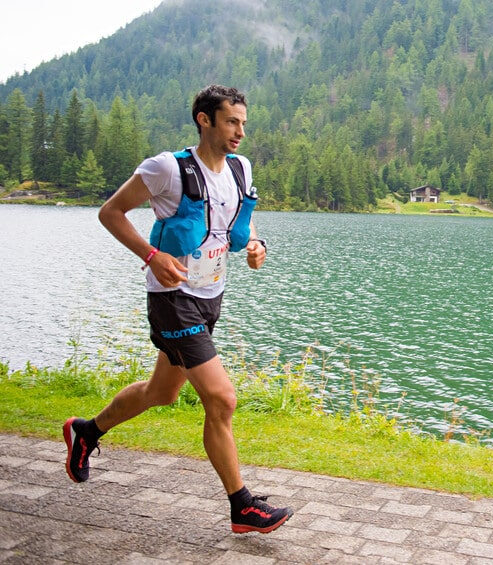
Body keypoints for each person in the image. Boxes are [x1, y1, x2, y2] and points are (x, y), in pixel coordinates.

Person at [63, 84, 293, 534]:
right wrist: (151, 256)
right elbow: (111, 212)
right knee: (221, 399)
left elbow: (236, 224)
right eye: (231, 122)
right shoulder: (167, 168)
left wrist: (257, 244)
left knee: (161, 393)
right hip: (173, 300)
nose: (240, 132)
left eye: (243, 123)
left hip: (210, 296)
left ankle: (86, 432)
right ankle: (243, 507)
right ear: (204, 120)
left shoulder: (240, 168)